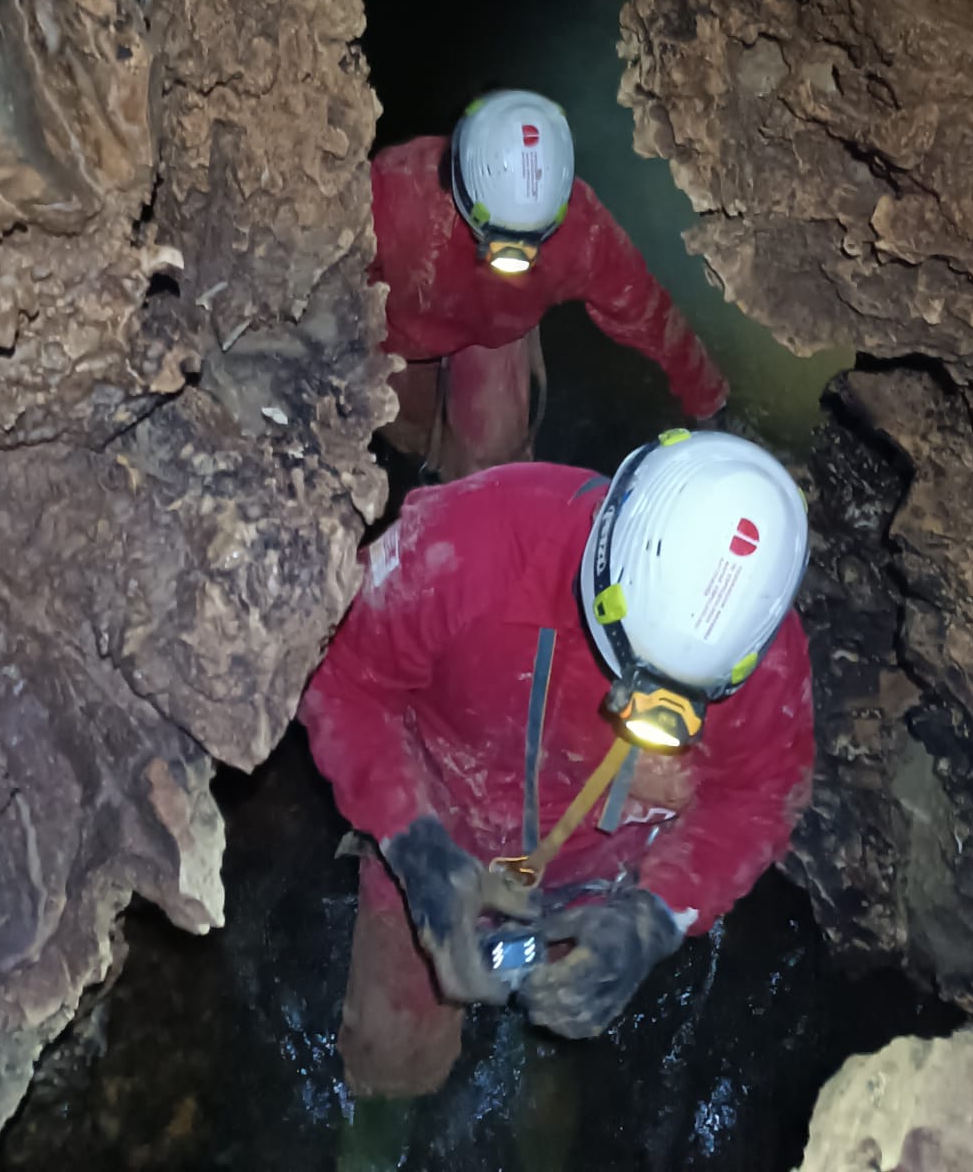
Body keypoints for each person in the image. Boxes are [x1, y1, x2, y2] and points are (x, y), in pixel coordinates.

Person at [299, 428, 815, 1098]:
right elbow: (342, 676)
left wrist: (655, 917)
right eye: (632, 675)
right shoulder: (471, 542)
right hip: (438, 833)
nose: (639, 712)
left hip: (595, 894)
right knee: (390, 1054)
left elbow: (761, 797)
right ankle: (384, 1116)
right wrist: (413, 845)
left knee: (562, 1055)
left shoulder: (763, 663)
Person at [370, 87, 727, 477]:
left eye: (531, 242)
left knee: (491, 464)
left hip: (493, 334)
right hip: (396, 330)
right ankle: (418, 465)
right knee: (399, 422)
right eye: (501, 241)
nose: (514, 262)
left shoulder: (580, 229)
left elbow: (645, 310)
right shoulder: (394, 196)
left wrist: (707, 398)